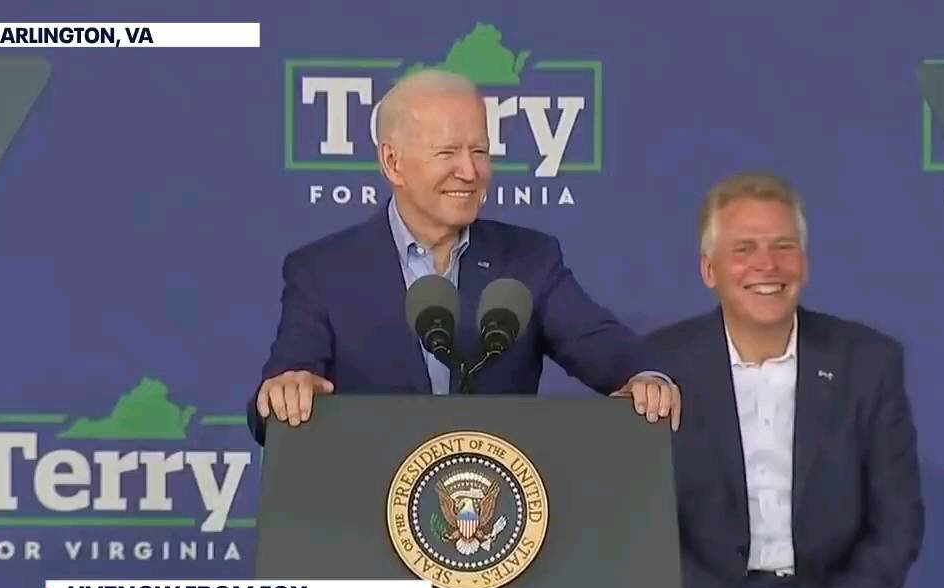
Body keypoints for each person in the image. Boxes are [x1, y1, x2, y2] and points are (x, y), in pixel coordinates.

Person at [248, 69, 679, 443]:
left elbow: (600, 344)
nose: (470, 172)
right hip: (367, 518)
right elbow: (279, 393)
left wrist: (646, 378)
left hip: (501, 517)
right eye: (448, 153)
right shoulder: (322, 272)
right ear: (393, 163)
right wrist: (286, 391)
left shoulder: (529, 260)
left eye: (479, 151)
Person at [647, 172, 924, 588]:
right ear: (709, 269)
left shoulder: (868, 363)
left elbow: (897, 520)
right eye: (744, 249)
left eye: (783, 248)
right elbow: (644, 526)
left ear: (805, 263)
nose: (766, 267)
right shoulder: (658, 369)